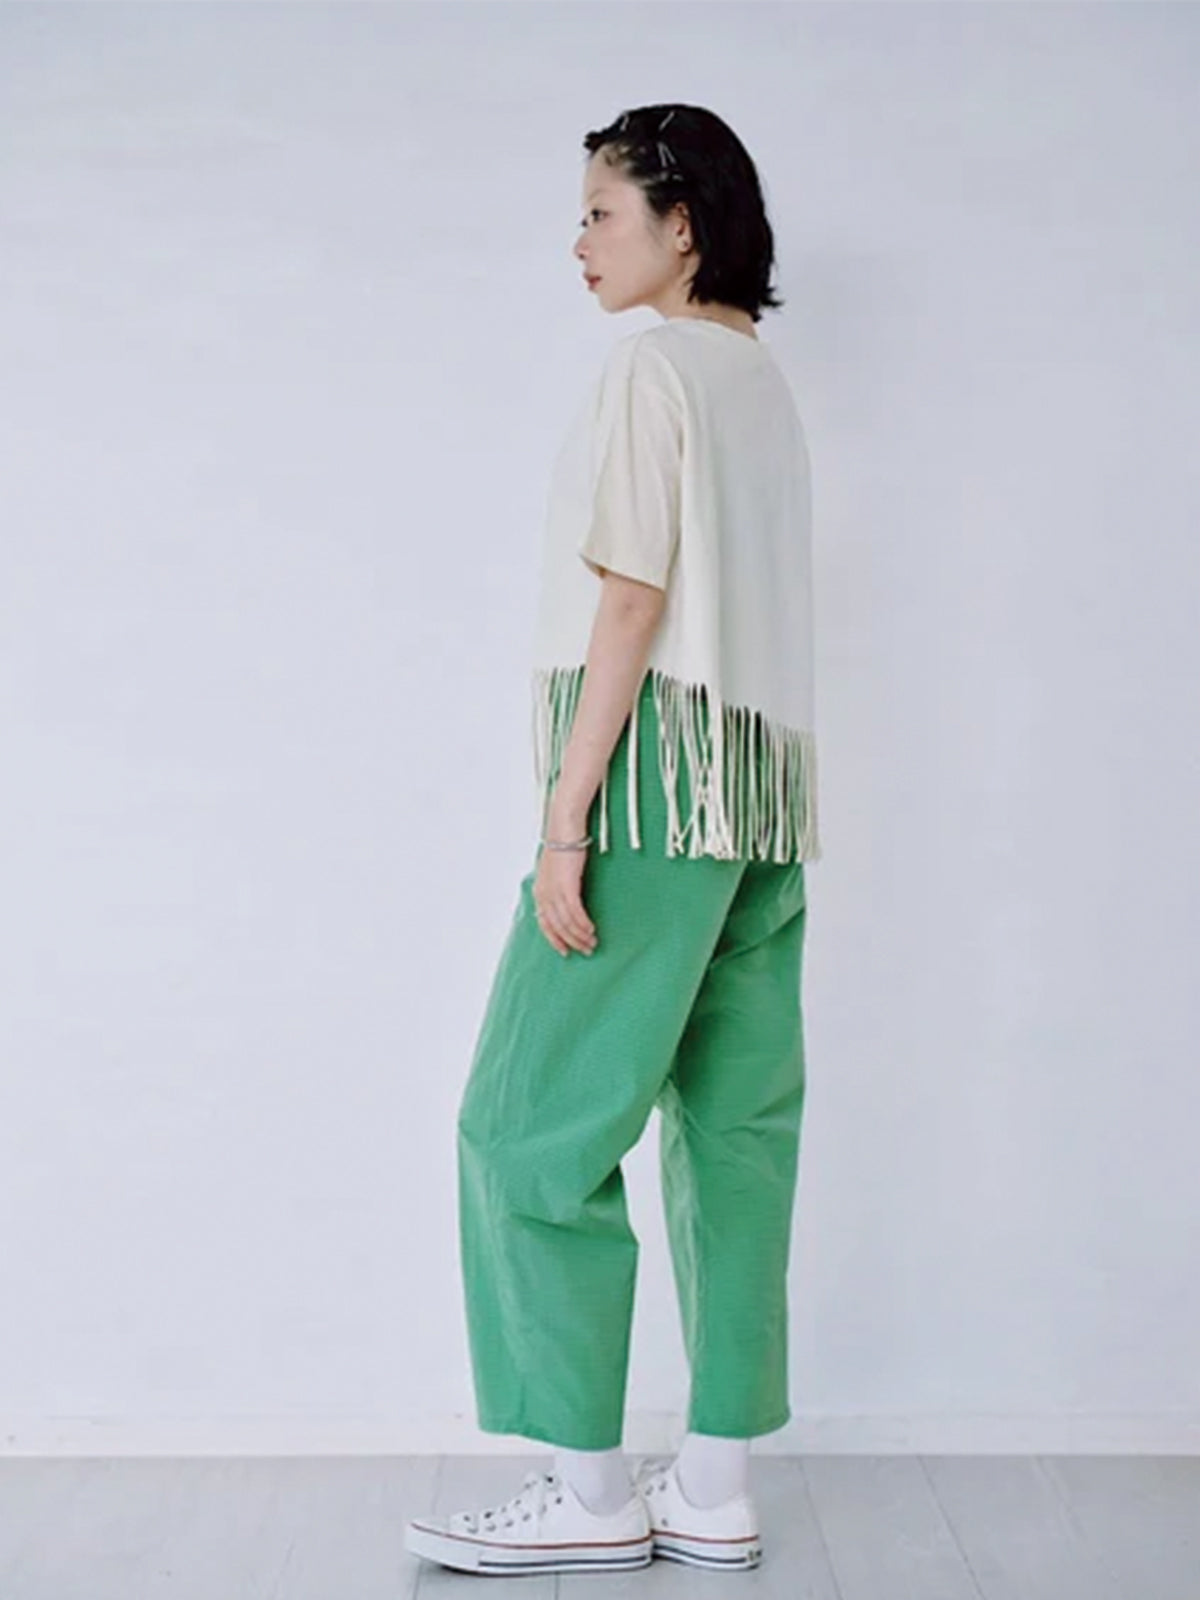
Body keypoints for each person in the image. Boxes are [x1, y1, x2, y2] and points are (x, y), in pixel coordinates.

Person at [405, 101, 821, 1578]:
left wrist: (566, 815)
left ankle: (588, 1492)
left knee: (523, 1125)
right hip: (760, 806)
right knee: (736, 1133)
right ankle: (714, 1484)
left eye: (600, 211)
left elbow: (632, 598)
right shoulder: (759, 381)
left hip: (656, 790)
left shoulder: (653, 371)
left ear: (681, 224)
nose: (577, 241)